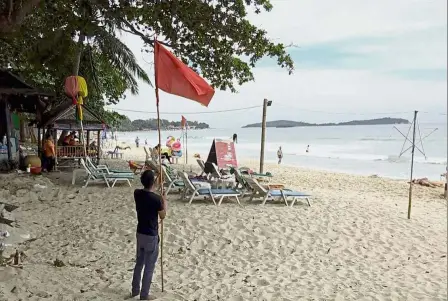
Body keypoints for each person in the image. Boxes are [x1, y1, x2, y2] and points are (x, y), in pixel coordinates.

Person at [131, 170, 167, 300]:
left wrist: (157, 186)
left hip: (140, 233)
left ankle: (135, 290)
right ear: (152, 182)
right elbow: (163, 216)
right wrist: (164, 201)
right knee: (149, 266)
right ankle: (144, 295)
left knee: (139, 263)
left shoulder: (137, 193)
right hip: (151, 235)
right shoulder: (157, 199)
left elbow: (149, 191)